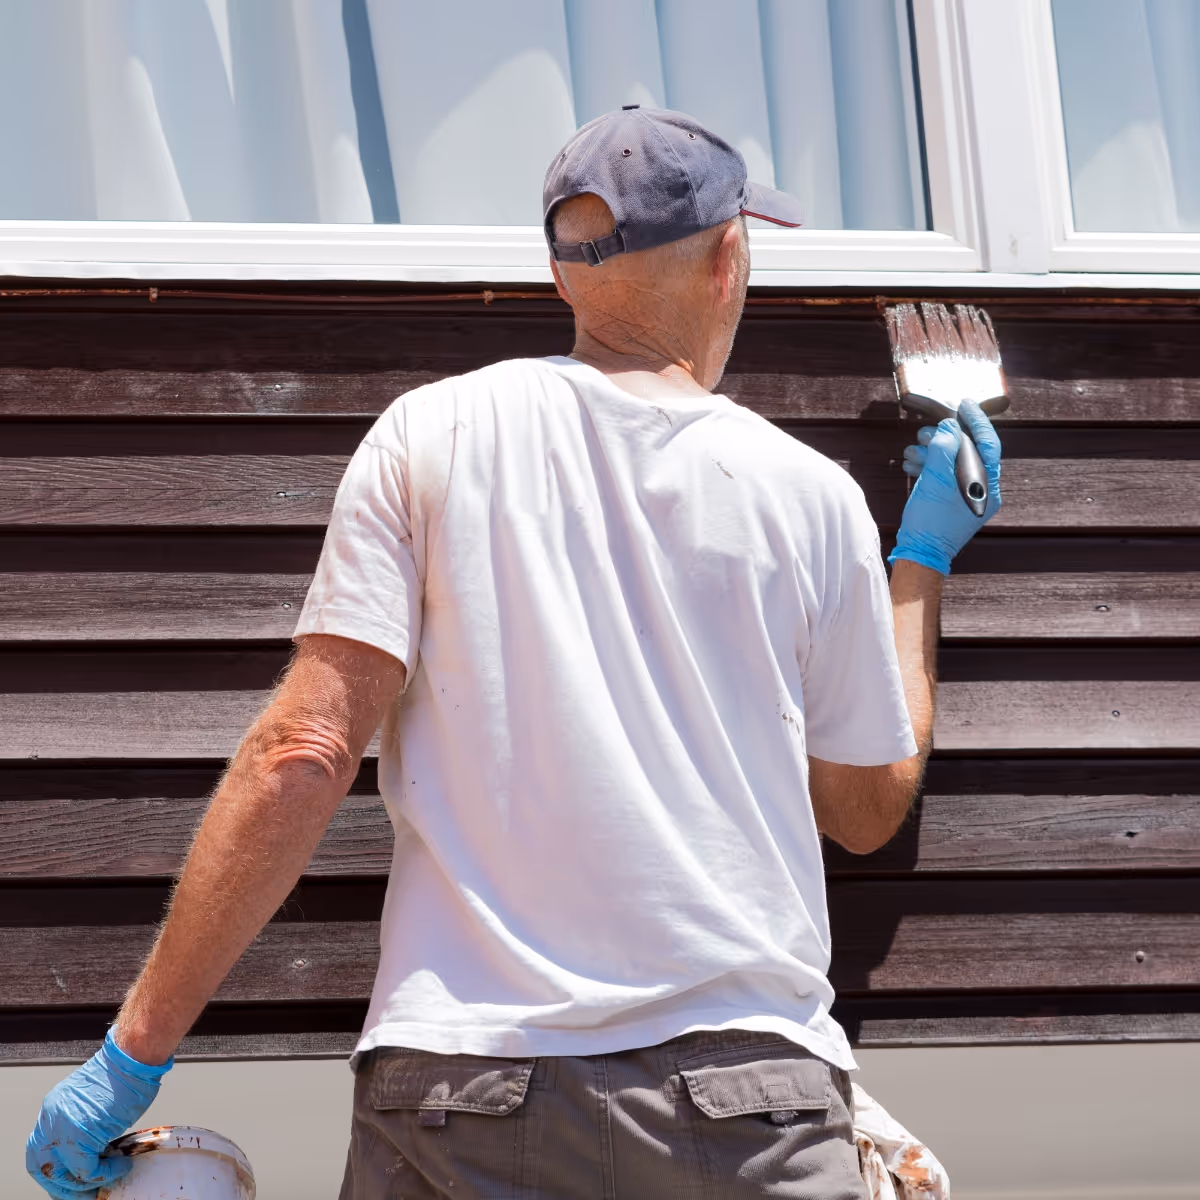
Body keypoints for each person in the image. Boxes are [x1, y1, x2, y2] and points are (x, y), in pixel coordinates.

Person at [28, 107, 1001, 1200]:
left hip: (467, 1095)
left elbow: (303, 751)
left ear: (561, 273)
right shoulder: (811, 497)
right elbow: (864, 808)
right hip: (748, 1106)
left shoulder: (430, 437)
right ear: (730, 258)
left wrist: (131, 1058)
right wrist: (918, 562)